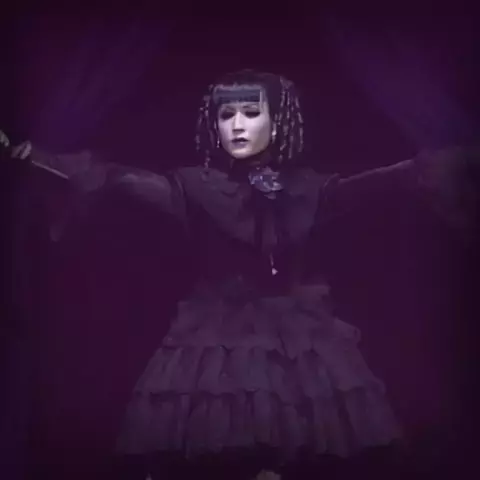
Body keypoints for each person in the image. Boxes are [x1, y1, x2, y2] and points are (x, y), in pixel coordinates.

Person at [1, 69, 477, 479]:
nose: (237, 125)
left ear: (278, 119)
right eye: (226, 115)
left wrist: (455, 161)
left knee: (303, 450)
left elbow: (392, 179)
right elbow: (117, 179)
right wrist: (36, 157)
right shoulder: (193, 186)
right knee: (213, 451)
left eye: (251, 112)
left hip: (301, 342)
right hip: (213, 341)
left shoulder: (310, 189)